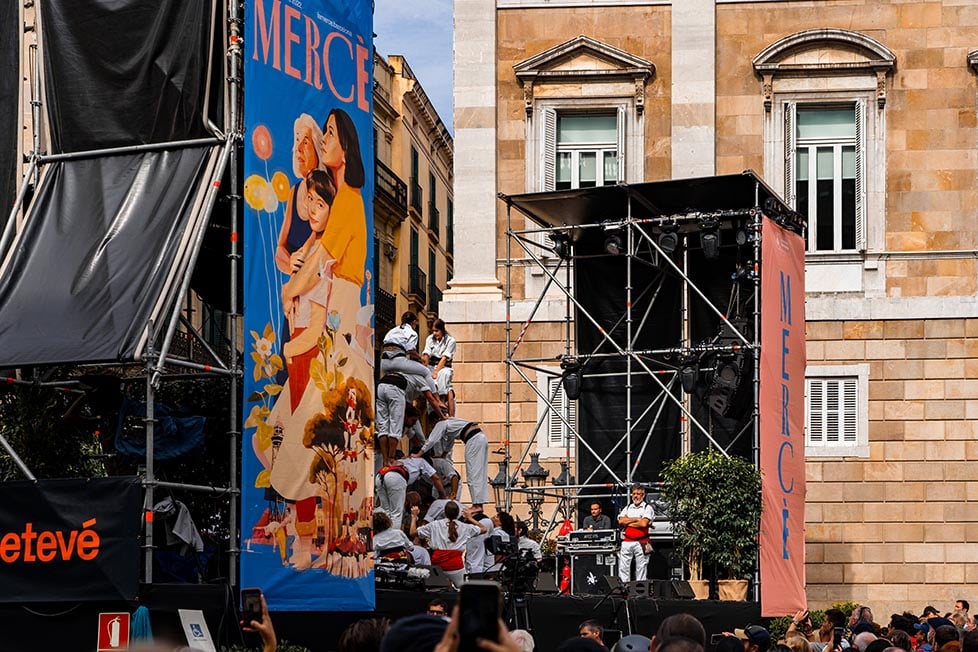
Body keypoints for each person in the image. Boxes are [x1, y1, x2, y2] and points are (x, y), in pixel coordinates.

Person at [280, 169, 336, 413]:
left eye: (320, 203)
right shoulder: (307, 249)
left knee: (303, 420)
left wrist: (289, 349)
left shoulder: (322, 255)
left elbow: (316, 327)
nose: (312, 208)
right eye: (310, 199)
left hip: (307, 346)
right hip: (299, 341)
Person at [275, 113, 322, 275]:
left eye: (305, 142)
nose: (298, 148)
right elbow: (280, 248)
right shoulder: (294, 192)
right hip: (297, 291)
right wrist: (290, 264)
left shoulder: (326, 191)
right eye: (296, 140)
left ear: (317, 149)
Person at [417, 416, 490, 510]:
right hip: (480, 438)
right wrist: (444, 454)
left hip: (473, 440)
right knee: (479, 472)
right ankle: (478, 504)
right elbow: (450, 441)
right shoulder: (451, 423)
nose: (432, 428)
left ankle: (477, 505)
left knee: (472, 472)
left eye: (431, 425)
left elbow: (431, 440)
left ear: (434, 421)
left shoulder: (441, 424)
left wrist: (419, 454)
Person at [413, 501, 487, 589]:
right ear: (458, 514)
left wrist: (414, 516)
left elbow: (412, 532)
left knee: (435, 589)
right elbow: (484, 529)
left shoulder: (434, 525)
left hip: (438, 564)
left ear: (444, 512)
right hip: (455, 565)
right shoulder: (464, 527)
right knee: (465, 590)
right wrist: (470, 518)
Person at [376, 454, 446, 529]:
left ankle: (379, 532)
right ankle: (392, 539)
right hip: (395, 477)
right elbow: (436, 478)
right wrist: (443, 496)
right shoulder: (422, 461)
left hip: (380, 476)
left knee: (385, 510)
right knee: (396, 513)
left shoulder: (406, 461)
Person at [617, 484, 654, 582]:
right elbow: (621, 521)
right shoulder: (628, 507)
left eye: (638, 494)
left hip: (641, 542)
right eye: (634, 493)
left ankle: (640, 592)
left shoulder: (647, 508)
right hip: (627, 540)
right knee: (623, 567)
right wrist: (636, 519)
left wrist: (628, 522)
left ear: (643, 495)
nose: (635, 496)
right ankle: (624, 589)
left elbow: (643, 523)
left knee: (641, 568)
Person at [422, 318, 458, 415]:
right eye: (433, 331)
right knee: (427, 381)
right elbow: (427, 354)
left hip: (444, 367)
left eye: (436, 331)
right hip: (431, 366)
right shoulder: (429, 339)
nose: (434, 333)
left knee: (444, 376)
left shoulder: (451, 341)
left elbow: (444, 358)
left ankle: (441, 400)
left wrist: (436, 372)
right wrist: (423, 368)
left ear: (442, 330)